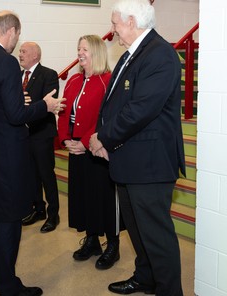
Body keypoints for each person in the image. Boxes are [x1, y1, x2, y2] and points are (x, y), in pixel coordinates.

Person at [0, 10, 64, 296]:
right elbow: (17, 115)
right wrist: (45, 105)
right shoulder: (4, 62)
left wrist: (15, 102)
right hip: (8, 155)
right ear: (11, 30)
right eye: (17, 37)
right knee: (8, 219)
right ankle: (9, 286)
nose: (16, 44)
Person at [89, 0, 185, 295]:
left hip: (150, 165)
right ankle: (146, 278)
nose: (113, 29)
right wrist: (107, 139)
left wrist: (103, 137)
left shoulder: (160, 55)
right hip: (130, 159)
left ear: (132, 22)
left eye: (115, 23)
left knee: (157, 237)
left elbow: (141, 110)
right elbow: (117, 104)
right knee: (139, 232)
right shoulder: (132, 53)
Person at [57, 35, 121, 270]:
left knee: (103, 197)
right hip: (76, 149)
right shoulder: (73, 80)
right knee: (83, 196)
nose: (80, 52)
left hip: (97, 149)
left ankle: (113, 245)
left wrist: (85, 142)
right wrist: (65, 139)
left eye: (84, 49)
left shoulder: (107, 80)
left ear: (96, 52)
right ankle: (92, 240)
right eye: (78, 48)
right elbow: (63, 112)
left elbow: (107, 118)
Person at [18, 42, 61, 233]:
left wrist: (26, 117)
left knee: (46, 175)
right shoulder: (17, 76)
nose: (20, 54)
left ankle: (53, 214)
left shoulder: (49, 75)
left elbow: (48, 105)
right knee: (31, 175)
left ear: (35, 55)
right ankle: (38, 209)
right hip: (23, 135)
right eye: (20, 51)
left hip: (41, 133)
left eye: (23, 51)